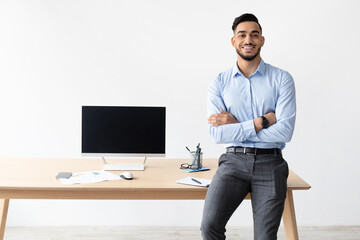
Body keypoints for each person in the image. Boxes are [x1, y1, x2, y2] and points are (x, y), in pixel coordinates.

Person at [201, 13, 296, 240]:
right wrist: (259, 122)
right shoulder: (220, 82)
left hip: (270, 162)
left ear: (262, 40)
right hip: (233, 162)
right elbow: (216, 134)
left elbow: (285, 131)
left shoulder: (282, 79)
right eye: (242, 35)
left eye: (254, 35)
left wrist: (236, 126)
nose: (248, 40)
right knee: (209, 226)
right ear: (233, 41)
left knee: (264, 237)